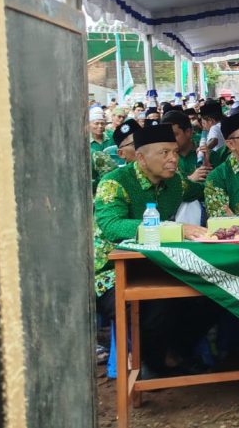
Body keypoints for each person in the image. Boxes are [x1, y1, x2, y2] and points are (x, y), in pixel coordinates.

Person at [93, 124, 211, 377]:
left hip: (157, 264)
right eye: (164, 153)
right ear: (141, 157)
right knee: (158, 304)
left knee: (211, 293)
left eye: (175, 152)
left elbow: (203, 189)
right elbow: (112, 226)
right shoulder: (114, 183)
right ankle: (152, 364)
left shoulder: (176, 182)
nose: (173, 159)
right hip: (111, 272)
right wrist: (174, 228)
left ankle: (177, 353)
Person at [162, 110, 210, 184]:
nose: (169, 139)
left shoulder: (206, 153)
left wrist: (208, 165)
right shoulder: (162, 160)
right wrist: (189, 179)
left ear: (188, 132)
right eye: (166, 136)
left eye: (174, 135)